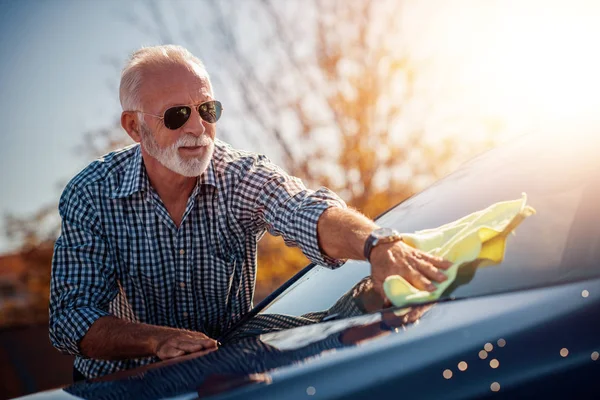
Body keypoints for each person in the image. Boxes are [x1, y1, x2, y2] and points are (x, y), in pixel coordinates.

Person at [49, 45, 451, 380]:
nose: (198, 127)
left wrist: (377, 244)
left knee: (348, 317)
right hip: (124, 383)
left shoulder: (238, 174)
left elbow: (303, 209)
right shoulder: (92, 194)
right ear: (135, 128)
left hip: (228, 366)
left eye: (207, 110)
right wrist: (156, 340)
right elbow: (71, 318)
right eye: (176, 115)